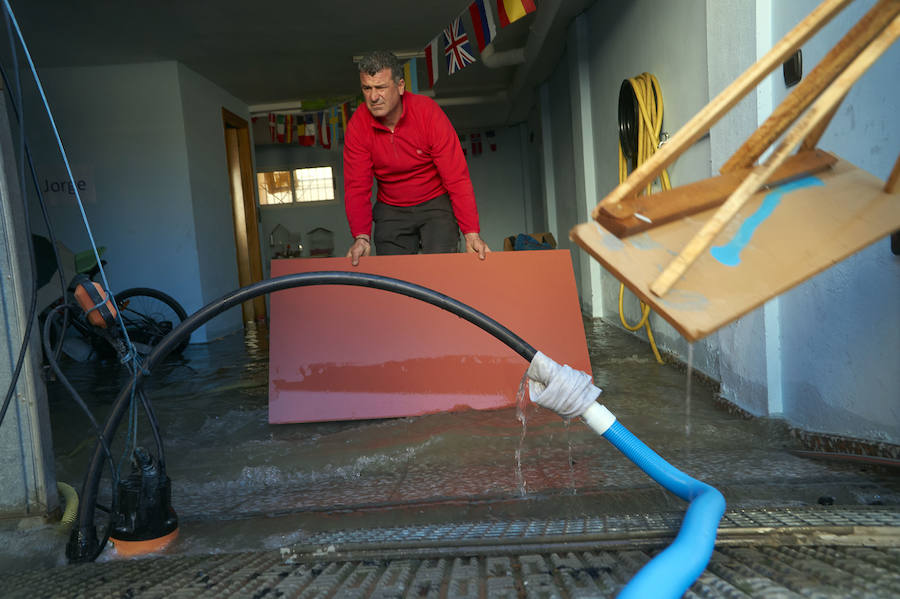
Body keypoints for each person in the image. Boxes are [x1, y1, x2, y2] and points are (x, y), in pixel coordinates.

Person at [343, 50, 490, 266]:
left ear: (400, 86)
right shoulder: (358, 126)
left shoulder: (427, 113)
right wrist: (361, 237)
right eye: (367, 88)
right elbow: (357, 186)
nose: (373, 97)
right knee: (393, 277)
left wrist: (471, 233)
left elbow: (456, 177)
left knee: (442, 271)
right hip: (391, 209)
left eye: (381, 87)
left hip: (435, 204)